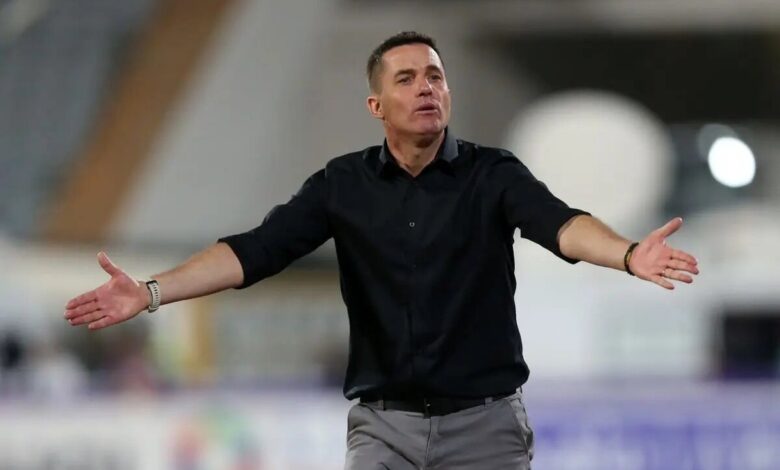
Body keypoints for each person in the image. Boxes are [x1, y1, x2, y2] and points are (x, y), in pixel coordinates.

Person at [64, 31, 699, 469]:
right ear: (377, 104)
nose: (426, 88)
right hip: (383, 429)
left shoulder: (493, 175)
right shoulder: (342, 185)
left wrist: (626, 254)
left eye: (436, 76)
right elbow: (253, 253)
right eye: (407, 78)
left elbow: (561, 226)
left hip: (485, 428)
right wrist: (151, 291)